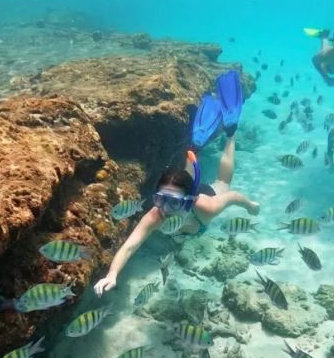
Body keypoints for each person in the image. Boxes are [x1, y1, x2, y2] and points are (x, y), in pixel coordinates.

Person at [93, 71, 259, 297]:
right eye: (160, 199)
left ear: (188, 200)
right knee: (185, 172)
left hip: (207, 193)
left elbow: (234, 197)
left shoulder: (205, 208)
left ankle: (230, 133)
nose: (165, 208)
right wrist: (112, 274)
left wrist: (250, 206)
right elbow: (130, 246)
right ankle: (195, 146)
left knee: (224, 182)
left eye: (171, 202)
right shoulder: (157, 213)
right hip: (186, 188)